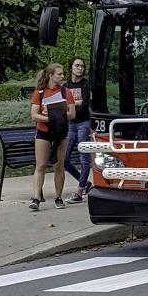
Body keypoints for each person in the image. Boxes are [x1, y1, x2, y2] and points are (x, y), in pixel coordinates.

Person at [29, 62, 73, 211]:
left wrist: (58, 115)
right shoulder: (39, 93)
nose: (62, 76)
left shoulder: (65, 92)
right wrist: (50, 118)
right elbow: (35, 115)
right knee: (40, 165)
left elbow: (72, 114)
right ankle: (36, 197)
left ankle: (58, 196)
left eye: (62, 74)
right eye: (59, 74)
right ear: (51, 75)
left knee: (58, 166)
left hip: (60, 133)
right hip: (44, 131)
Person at [62, 57, 93, 204]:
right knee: (64, 159)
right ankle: (85, 182)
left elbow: (86, 103)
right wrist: (75, 105)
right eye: (77, 65)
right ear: (71, 67)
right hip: (70, 124)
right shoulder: (66, 85)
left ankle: (80, 191)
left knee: (84, 157)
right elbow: (63, 105)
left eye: (82, 66)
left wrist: (73, 105)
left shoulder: (85, 84)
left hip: (83, 123)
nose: (80, 68)